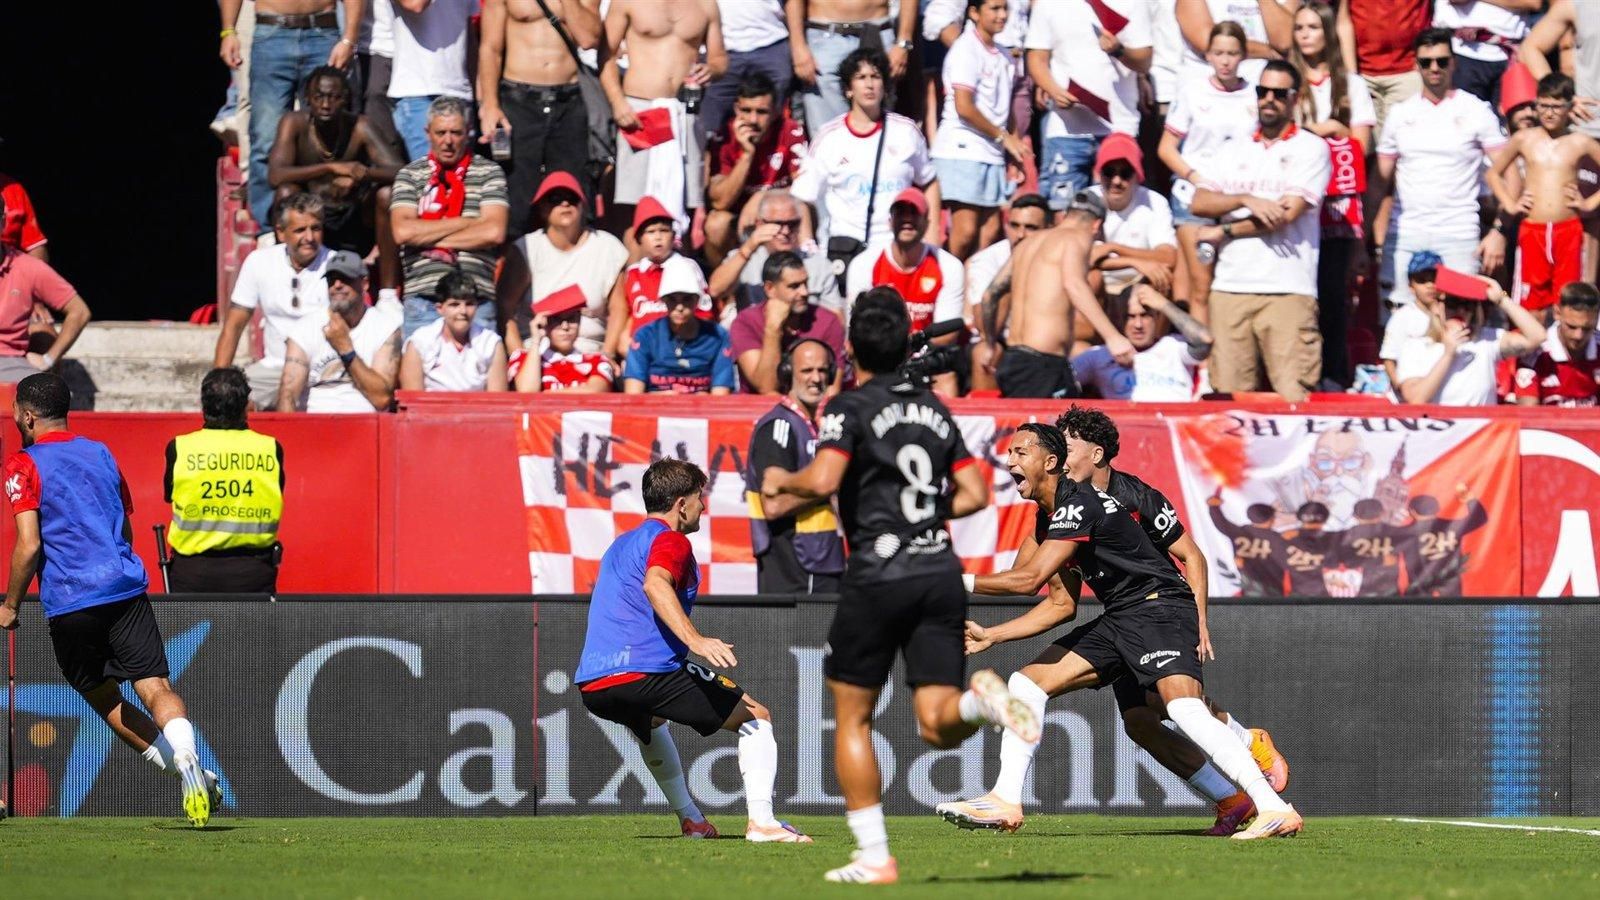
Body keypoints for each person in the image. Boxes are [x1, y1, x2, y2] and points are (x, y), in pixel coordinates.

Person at [761, 287, 1037, 885]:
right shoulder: (936, 410)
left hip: (879, 573)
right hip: (939, 571)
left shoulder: (849, 406)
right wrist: (921, 514)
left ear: (850, 350)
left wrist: (784, 478)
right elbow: (975, 494)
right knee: (938, 723)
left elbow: (826, 477)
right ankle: (983, 704)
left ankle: (874, 857)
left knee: (853, 716)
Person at [958, 411, 1304, 842]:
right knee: (1031, 686)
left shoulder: (1098, 500)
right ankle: (1005, 800)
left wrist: (947, 578)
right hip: (1122, 616)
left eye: (1019, 452)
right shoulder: (1053, 514)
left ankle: (1272, 806)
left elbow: (1027, 578)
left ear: (1053, 461)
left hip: (1160, 608)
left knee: (1182, 708)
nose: (1008, 462)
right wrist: (994, 634)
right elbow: (1060, 604)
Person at [0, 373, 220, 827]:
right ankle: (187, 758)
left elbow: (29, 545)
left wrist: (10, 605)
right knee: (156, 687)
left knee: (103, 699)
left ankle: (180, 771)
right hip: (124, 589)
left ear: (26, 417)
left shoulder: (22, 464)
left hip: (70, 601)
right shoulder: (101, 453)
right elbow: (125, 527)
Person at [574, 458, 812, 843]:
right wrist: (695, 641)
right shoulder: (670, 540)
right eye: (701, 498)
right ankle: (764, 824)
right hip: (645, 672)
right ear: (681, 504)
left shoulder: (619, 545)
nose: (705, 506)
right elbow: (656, 584)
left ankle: (692, 820)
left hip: (594, 683)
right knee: (757, 718)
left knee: (651, 725)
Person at [1190, 61, 1333, 401]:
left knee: (1294, 398)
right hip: (1230, 289)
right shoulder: (1232, 147)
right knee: (1229, 403)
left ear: (1295, 99)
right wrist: (1245, 199)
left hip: (1288, 289)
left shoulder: (1311, 148)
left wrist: (1224, 231)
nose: (1269, 99)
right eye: (1262, 91)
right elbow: (1199, 201)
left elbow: (1286, 214)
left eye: (1279, 93)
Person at [1370, 29, 1509, 308]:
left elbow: (1510, 177)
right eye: (1426, 62)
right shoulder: (1400, 114)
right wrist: (1368, 239)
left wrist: (1499, 231)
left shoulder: (1477, 110)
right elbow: (1378, 183)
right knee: (1398, 324)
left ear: (1454, 63)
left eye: (1442, 61)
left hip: (1459, 233)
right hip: (1405, 233)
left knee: (1461, 324)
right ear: (1415, 65)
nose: (1435, 68)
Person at [1290, 2, 1375, 389]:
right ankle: (1299, 373)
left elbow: (1362, 143)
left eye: (1313, 27)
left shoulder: (1350, 83)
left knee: (1335, 291)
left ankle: (1334, 374)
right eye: (1299, 27)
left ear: (1328, 33)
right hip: (1299, 199)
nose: (1305, 34)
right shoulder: (1287, 80)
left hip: (1339, 202)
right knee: (1299, 291)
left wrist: (1324, 129)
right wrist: (1322, 130)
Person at [790, 48, 940, 263]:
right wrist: (808, 244)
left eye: (875, 77)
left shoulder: (906, 132)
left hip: (897, 250)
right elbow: (802, 197)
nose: (869, 84)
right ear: (848, 89)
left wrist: (931, 236)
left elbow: (929, 181)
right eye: (861, 77)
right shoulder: (829, 137)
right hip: (845, 251)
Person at [220, 0, 359, 232]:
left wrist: (349, 38)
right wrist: (228, 31)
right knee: (266, 136)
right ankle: (268, 227)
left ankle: (325, 225)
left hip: (322, 31)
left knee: (327, 135)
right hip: (271, 31)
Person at [980, 190, 1131, 399]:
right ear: (1096, 225)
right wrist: (1113, 337)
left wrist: (989, 345)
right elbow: (1074, 284)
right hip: (1043, 365)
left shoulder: (1027, 244)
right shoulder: (1077, 237)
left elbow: (990, 294)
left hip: (1013, 359)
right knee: (1056, 430)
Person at [268, 67, 405, 290]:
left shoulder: (360, 126)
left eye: (333, 97)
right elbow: (276, 175)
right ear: (307, 99)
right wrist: (332, 167)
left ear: (346, 100)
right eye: (319, 97)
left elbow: (401, 171)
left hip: (354, 220)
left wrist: (361, 174)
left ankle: (388, 295)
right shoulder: (294, 123)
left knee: (387, 195)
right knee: (286, 192)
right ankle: (287, 280)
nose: (325, 104)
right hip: (313, 221)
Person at [476, 0, 603, 237]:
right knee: (515, 196)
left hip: (569, 101)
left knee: (571, 192)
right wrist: (490, 105)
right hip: (518, 100)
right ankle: (512, 268)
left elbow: (588, 38)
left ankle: (569, 264)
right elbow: (490, 48)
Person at [600, 0, 726, 237]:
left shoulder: (706, 5)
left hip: (684, 112)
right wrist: (617, 103)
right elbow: (605, 55)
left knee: (682, 204)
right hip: (640, 112)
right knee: (635, 205)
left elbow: (719, 59)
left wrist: (711, 69)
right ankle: (633, 272)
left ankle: (678, 271)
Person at [389, 97, 511, 339]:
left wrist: (425, 234)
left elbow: (494, 232)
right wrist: (469, 222)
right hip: (424, 296)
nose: (447, 141)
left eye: (455, 133)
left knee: (477, 376)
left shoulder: (489, 172)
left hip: (476, 298)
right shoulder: (410, 175)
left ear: (468, 133)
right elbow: (402, 232)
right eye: (440, 132)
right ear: (428, 133)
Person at [1160, 21, 1259, 317]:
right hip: (1194, 197)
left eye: (1231, 53)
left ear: (1242, 55)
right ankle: (1202, 362)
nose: (1225, 61)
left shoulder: (1255, 94)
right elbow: (1166, 148)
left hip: (1237, 198)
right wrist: (1194, 176)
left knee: (1233, 283)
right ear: (1208, 56)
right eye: (1218, 53)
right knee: (1201, 284)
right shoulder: (1193, 92)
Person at [163, 368, 285, 594]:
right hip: (253, 573)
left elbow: (169, 495)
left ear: (203, 404)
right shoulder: (270, 448)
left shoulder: (179, 448)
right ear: (246, 404)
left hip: (192, 574)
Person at [1486, 74, 1600, 312]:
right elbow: (1493, 174)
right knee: (1529, 303)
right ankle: (1529, 348)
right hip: (1532, 230)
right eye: (1543, 106)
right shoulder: (1524, 139)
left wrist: (1589, 203)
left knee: (1568, 300)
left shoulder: (1580, 141)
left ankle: (1564, 349)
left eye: (1556, 107)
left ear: (1570, 107)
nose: (1549, 113)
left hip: (1567, 230)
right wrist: (1510, 204)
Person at [1025, 0, 1152, 213]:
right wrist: (1053, 90)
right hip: (1065, 130)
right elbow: (1036, 57)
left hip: (1118, 127)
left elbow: (1144, 60)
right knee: (1062, 213)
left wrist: (1119, 50)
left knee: (1119, 213)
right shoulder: (1048, 4)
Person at [931, 0, 1030, 261]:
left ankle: (973, 295)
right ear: (974, 12)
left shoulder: (1005, 56)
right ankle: (947, 289)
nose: (1002, 15)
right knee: (964, 233)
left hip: (992, 153)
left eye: (1004, 8)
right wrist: (1003, 137)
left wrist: (1014, 152)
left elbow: (1006, 110)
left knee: (990, 234)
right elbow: (964, 106)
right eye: (994, 9)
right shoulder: (965, 49)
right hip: (962, 149)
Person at [744, 340, 846, 593]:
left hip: (821, 557)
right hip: (796, 562)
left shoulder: (816, 426)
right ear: (788, 373)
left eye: (823, 370)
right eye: (807, 370)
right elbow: (773, 505)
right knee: (802, 634)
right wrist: (827, 487)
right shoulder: (778, 426)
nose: (816, 378)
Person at [214, 193, 332, 409]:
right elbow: (234, 325)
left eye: (315, 228)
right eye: (299, 230)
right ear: (280, 232)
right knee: (229, 401)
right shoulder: (259, 261)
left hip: (320, 369)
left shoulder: (335, 265)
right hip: (273, 368)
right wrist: (218, 383)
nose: (309, 237)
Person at [498, 172, 629, 357]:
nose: (565, 204)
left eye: (572, 198)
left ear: (583, 205)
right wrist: (518, 357)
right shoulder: (526, 248)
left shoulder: (608, 246)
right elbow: (505, 307)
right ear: (542, 208)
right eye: (555, 199)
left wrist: (607, 356)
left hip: (591, 352)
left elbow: (619, 309)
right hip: (536, 353)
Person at [1395, 268, 1546, 406]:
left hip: (1481, 433)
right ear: (1437, 306)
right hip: (1437, 432)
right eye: (1453, 303)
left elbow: (1537, 336)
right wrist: (1448, 354)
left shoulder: (1487, 339)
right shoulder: (1416, 345)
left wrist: (1501, 298)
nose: (1461, 311)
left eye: (1468, 305)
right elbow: (1415, 399)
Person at [704, 75, 812, 265]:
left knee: (804, 208)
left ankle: (804, 271)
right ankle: (726, 290)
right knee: (715, 224)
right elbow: (719, 202)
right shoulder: (724, 137)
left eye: (762, 112)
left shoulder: (790, 131)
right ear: (737, 109)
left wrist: (762, 197)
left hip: (781, 214)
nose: (753, 120)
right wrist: (747, 155)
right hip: (740, 220)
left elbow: (806, 188)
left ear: (776, 111)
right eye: (746, 110)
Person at [278, 250, 403, 412]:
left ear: (364, 284)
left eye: (345, 279)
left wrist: (346, 348)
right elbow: (288, 393)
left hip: (367, 428)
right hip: (316, 425)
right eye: (331, 280)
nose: (337, 285)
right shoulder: (305, 328)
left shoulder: (385, 328)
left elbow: (382, 399)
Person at [788, 0, 919, 133]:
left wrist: (904, 41)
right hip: (823, 34)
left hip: (876, 31)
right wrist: (798, 46)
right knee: (826, 131)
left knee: (877, 127)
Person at [708, 190, 844, 315]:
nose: (785, 231)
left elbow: (836, 319)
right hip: (755, 337)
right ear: (760, 224)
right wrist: (748, 248)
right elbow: (715, 290)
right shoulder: (744, 258)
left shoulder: (817, 264)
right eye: (778, 224)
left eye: (792, 224)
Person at [965, 191, 1049, 391]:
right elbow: (986, 329)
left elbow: (1085, 328)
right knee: (985, 353)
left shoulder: (1061, 255)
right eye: (1014, 226)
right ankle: (989, 422)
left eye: (1031, 228)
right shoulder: (986, 261)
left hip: (1048, 342)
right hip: (1003, 341)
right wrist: (1015, 268)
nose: (1020, 235)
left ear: (1048, 229)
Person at [608, 201, 718, 353]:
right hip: (641, 349)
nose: (658, 237)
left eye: (664, 231)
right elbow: (628, 315)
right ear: (639, 238)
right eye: (651, 232)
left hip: (681, 347)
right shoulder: (633, 273)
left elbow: (704, 313)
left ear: (673, 236)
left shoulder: (687, 267)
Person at [731, 251, 846, 395]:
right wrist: (773, 329)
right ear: (770, 289)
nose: (804, 292)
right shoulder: (746, 322)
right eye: (794, 286)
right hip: (759, 413)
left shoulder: (827, 321)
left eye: (805, 283)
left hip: (812, 411)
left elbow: (832, 390)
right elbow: (766, 387)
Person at [1072, 284, 1212, 401]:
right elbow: (1058, 380)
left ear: (1157, 317)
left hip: (1175, 426)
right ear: (1120, 320)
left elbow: (1205, 340)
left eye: (1145, 316)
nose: (1138, 324)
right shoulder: (1098, 356)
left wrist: (1163, 304)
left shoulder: (1174, 346)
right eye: (1130, 317)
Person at [0, 217, 91, 383]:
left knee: (42, 392)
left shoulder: (25, 267)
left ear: (3, 222)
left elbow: (79, 311)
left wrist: (48, 359)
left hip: (9, 364)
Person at [1087, 133, 1177, 300]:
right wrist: (1134, 262)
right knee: (1091, 278)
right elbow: (1085, 259)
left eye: (1125, 173)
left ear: (1137, 175)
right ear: (1099, 173)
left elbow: (1168, 257)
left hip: (1140, 283)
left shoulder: (1155, 202)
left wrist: (1113, 248)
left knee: (1165, 276)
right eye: (1109, 172)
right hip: (1100, 285)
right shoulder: (1086, 200)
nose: (1116, 180)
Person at [388, 0, 477, 161]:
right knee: (429, 179)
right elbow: (415, 5)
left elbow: (469, 35)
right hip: (418, 92)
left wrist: (481, 97)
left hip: (460, 92)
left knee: (461, 180)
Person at [1335, 0, 1431, 142]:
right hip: (1363, 74)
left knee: (1409, 142)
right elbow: (1343, 20)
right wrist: (1352, 76)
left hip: (1407, 71)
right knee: (1368, 147)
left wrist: (1424, 60)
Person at [399, 269, 510, 392]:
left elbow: (496, 400)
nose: (463, 311)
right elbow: (412, 400)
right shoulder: (420, 342)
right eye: (454, 304)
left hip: (478, 410)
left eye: (469, 304)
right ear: (440, 308)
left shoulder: (491, 343)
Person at [702, 1, 795, 147]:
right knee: (710, 128)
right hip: (719, 49)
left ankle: (771, 165)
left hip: (771, 42)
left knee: (772, 124)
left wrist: (799, 47)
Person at [622, 280, 736, 395]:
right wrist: (662, 398)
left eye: (687, 299)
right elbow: (633, 395)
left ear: (697, 300)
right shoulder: (645, 335)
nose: (680, 307)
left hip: (701, 409)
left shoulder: (718, 336)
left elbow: (720, 395)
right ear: (664, 300)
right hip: (654, 409)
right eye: (672, 299)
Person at [513, 285, 617, 393]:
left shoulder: (597, 360)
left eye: (571, 319)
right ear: (544, 323)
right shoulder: (523, 358)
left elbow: (596, 391)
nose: (565, 327)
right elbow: (527, 391)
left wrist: (547, 395)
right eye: (557, 320)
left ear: (579, 321)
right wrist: (536, 341)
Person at [1432, 0, 1532, 109]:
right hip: (1464, 52)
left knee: (1511, 121)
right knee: (1465, 118)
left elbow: (1533, 2)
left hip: (1511, 54)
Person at [1517, 282, 1600, 407]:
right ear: (1557, 313)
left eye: (1587, 328)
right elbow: (1528, 416)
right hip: (1545, 426)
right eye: (1571, 327)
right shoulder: (1535, 355)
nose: (1578, 336)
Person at [1399, 486, 1488, 597]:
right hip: (1450, 592)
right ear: (1437, 510)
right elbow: (1480, 517)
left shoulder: (1405, 534)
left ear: (1412, 511)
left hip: (1419, 594)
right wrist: (1470, 499)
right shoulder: (1453, 527)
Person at [1379, 251, 1446, 396]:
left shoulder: (1451, 312)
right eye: (1422, 280)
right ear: (1411, 285)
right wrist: (1400, 385)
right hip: (1410, 393)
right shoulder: (1402, 317)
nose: (1430, 285)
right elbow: (1389, 358)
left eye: (1434, 278)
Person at [1207, 490, 1289, 596]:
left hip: (1250, 587)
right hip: (1275, 587)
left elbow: (1221, 523)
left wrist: (1213, 507)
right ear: (1271, 519)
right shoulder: (1277, 538)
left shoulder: (1238, 532)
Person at [1340, 498, 1403, 597]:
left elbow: (1344, 564)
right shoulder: (1395, 533)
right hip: (1388, 591)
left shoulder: (1346, 536)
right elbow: (1394, 561)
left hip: (1356, 590)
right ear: (1383, 513)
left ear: (1355, 516)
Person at [1281, 501, 1337, 596]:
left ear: (1299, 517)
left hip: (1294, 594)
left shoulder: (1284, 538)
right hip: (1326, 594)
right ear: (1326, 519)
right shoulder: (1335, 539)